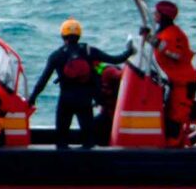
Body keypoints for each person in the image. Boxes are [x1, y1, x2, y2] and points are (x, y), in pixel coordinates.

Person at [28, 18, 133, 149]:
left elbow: (42, 81)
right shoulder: (89, 51)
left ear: (62, 35)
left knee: (61, 140)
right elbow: (116, 59)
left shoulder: (56, 55)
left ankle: (62, 165)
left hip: (66, 100)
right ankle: (89, 165)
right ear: (79, 35)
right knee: (88, 141)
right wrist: (129, 51)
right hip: (84, 100)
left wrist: (32, 98)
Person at [145, 0, 196, 147]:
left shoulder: (175, 34)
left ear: (163, 15)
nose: (154, 15)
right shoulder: (163, 32)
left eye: (157, 13)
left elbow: (176, 54)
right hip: (174, 82)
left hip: (184, 82)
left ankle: (173, 147)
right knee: (168, 115)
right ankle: (170, 144)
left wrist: (153, 41)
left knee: (176, 117)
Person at [93, 64, 123, 146]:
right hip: (108, 109)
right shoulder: (94, 77)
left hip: (114, 110)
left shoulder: (107, 72)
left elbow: (121, 74)